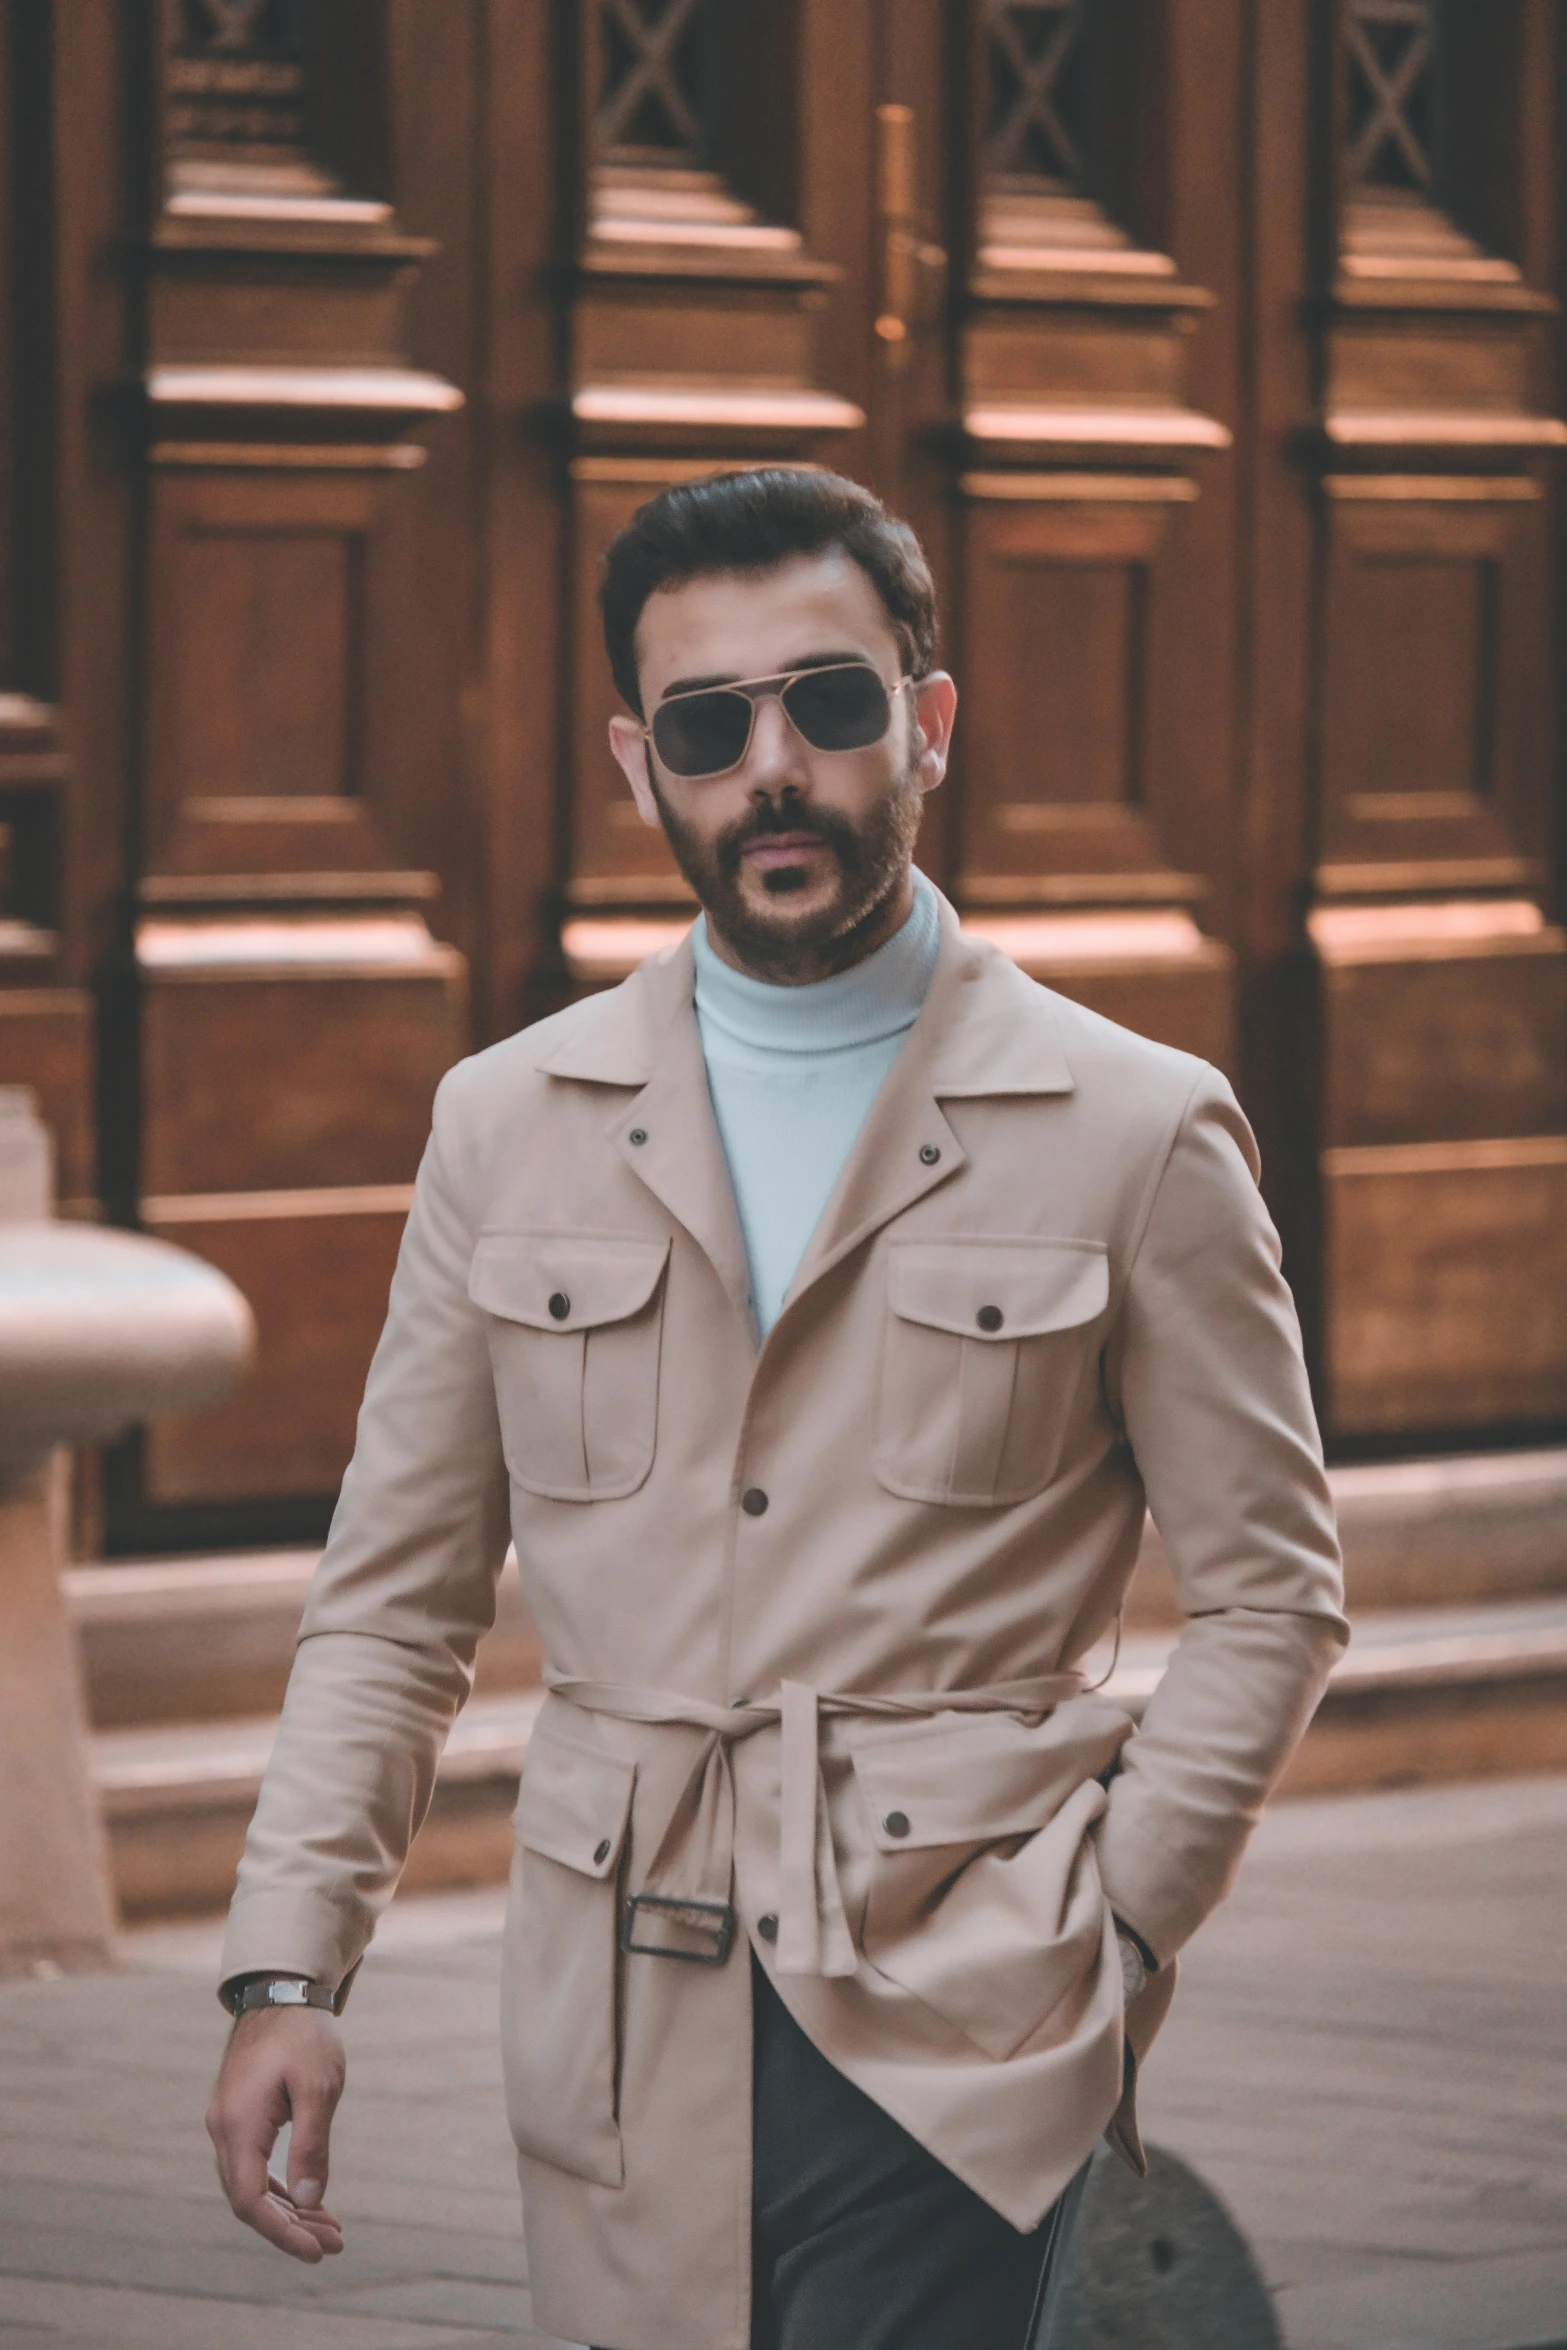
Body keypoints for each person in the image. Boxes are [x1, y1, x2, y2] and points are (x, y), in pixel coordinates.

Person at [206, 466, 1348, 2350]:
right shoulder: (508, 1123)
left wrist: (1113, 1930)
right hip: (615, 2023)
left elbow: (1274, 1593)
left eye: (829, 703)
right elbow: (396, 1603)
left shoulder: (1138, 1125)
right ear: (635, 766)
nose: (774, 770)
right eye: (706, 725)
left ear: (929, 720)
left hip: (964, 1997)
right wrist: (281, 1966)